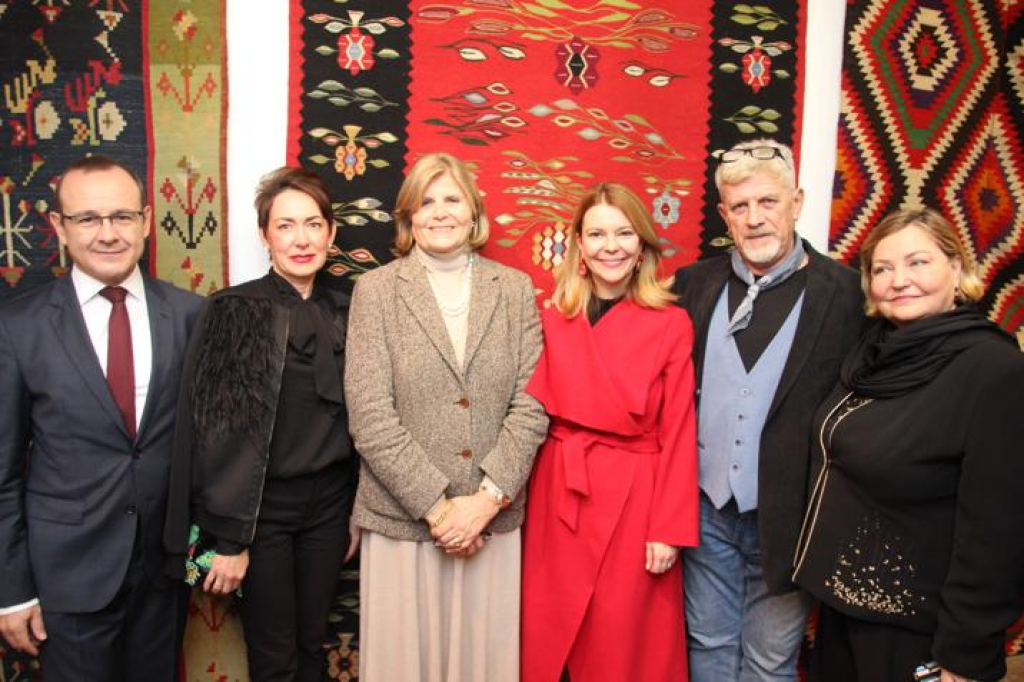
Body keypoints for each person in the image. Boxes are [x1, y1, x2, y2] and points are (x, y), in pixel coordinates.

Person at [792, 208, 1024, 682]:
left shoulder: (994, 371)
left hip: (920, 630)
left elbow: (998, 532)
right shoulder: (871, 353)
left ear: (956, 268)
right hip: (843, 612)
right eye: (883, 268)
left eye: (918, 262)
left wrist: (965, 653)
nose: (899, 280)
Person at [344, 152, 548, 682]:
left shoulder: (514, 289)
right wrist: (440, 513)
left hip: (491, 523)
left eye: (452, 199)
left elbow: (532, 403)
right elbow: (370, 415)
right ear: (408, 217)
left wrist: (484, 503)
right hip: (403, 523)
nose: (440, 212)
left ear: (474, 211)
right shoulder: (376, 291)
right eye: (426, 201)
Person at [0, 155, 202, 681]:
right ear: (59, 226)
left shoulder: (189, 315)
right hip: (67, 575)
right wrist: (11, 592)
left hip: (162, 574)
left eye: (122, 216)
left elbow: (210, 448)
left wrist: (212, 548)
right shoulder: (18, 328)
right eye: (88, 218)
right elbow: (2, 474)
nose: (108, 233)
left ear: (147, 221)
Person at [671, 138, 864, 681]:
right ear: (724, 216)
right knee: (707, 643)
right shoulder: (692, 285)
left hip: (790, 518)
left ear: (796, 202)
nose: (755, 218)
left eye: (768, 202)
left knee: (770, 659)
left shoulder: (848, 295)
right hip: (705, 509)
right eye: (740, 206)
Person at [164, 166, 358, 682]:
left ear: (331, 233)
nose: (301, 239)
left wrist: (359, 509)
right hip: (260, 511)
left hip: (330, 505)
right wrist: (229, 539)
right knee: (274, 655)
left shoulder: (352, 307)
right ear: (264, 235)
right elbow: (212, 434)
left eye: (313, 224)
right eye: (285, 226)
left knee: (313, 643)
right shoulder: (233, 309)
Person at [521, 182, 699, 681]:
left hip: (635, 499)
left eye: (624, 233)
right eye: (597, 234)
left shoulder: (671, 323)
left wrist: (668, 528)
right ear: (579, 244)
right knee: (549, 626)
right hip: (558, 488)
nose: (611, 247)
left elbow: (680, 429)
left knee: (619, 638)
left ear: (642, 245)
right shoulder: (552, 317)